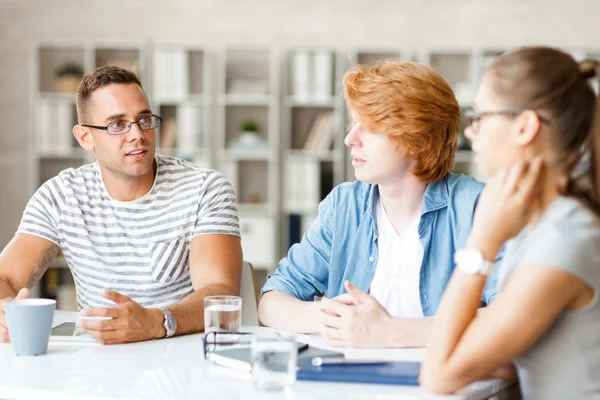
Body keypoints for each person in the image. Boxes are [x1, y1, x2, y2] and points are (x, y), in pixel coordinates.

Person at [258, 60, 499, 348]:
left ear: (417, 139)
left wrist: (388, 331)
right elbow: (272, 300)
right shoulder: (344, 205)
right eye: (352, 123)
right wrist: (325, 316)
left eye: (369, 127)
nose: (349, 139)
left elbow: (509, 318)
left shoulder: (475, 207)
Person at [0, 66, 242, 344]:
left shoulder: (205, 189)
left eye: (144, 119)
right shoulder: (60, 195)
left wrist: (156, 322)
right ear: (85, 137)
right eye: (117, 124)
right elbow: (5, 276)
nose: (137, 134)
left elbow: (220, 294)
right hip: (98, 364)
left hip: (181, 359)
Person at [421, 47, 600, 398]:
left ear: (524, 126)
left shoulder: (565, 239)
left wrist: (481, 243)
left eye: (480, 117)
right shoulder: (540, 225)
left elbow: (439, 376)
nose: (471, 134)